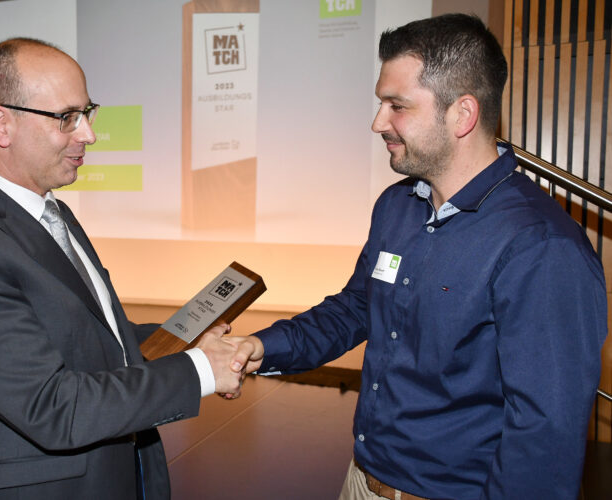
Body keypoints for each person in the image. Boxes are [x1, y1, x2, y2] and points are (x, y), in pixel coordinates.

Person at [230, 13, 608, 500]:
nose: (377, 122)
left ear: (462, 114)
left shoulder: (541, 248)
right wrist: (265, 347)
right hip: (361, 482)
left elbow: (543, 440)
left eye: (397, 106)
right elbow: (356, 308)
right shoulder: (395, 207)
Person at [0, 38, 244, 499]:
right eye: (66, 118)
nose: (88, 134)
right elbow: (52, 408)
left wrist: (178, 341)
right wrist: (199, 369)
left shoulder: (51, 210)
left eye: (88, 113)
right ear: (1, 124)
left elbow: (91, 338)